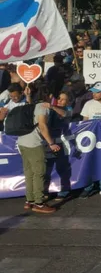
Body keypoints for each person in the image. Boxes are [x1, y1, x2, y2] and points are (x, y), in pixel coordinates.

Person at [8, 84, 60, 213]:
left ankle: (29, 201)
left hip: (22, 141)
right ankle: (39, 203)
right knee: (39, 173)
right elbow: (42, 125)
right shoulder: (43, 107)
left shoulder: (30, 105)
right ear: (50, 96)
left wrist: (28, 96)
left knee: (29, 172)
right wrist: (51, 143)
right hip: (34, 144)